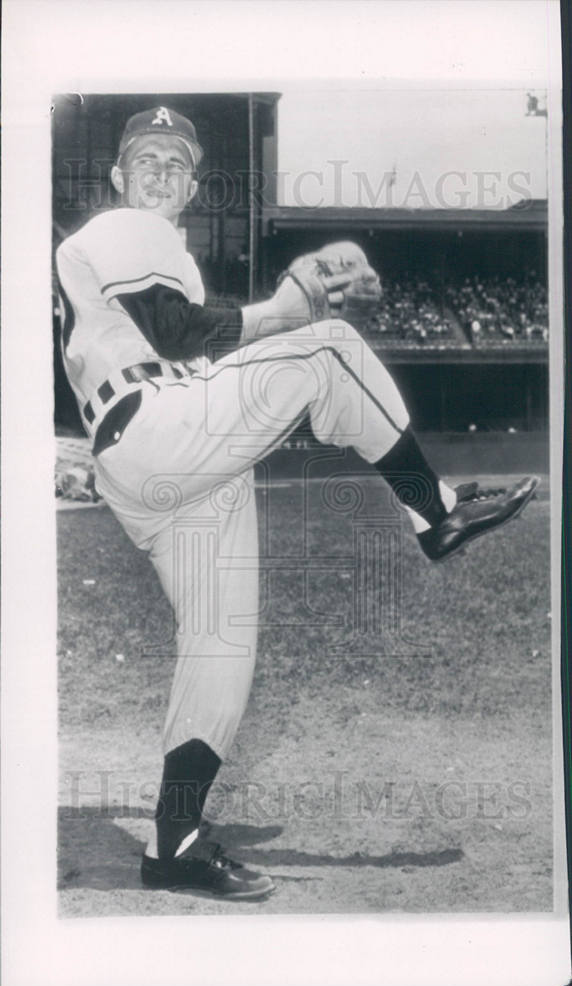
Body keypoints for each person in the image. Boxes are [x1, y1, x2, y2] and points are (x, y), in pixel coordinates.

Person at [56, 106, 539, 901]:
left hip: (183, 450)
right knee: (330, 348)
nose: (161, 173)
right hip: (150, 423)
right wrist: (289, 311)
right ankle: (434, 513)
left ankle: (172, 843)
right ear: (116, 176)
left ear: (196, 185)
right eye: (147, 158)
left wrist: (287, 307)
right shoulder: (115, 228)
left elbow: (201, 343)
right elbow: (177, 334)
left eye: (178, 164)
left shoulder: (169, 253)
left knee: (220, 649)